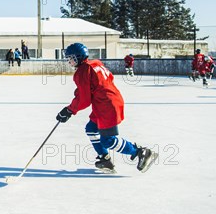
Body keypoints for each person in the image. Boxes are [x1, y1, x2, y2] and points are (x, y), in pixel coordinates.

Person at [56, 43, 157, 174]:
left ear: (78, 57)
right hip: (109, 101)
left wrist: (69, 110)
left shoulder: (82, 71)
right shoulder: (95, 63)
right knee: (91, 129)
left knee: (108, 140)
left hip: (107, 106)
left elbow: (84, 100)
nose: (69, 61)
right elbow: (102, 81)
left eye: (71, 58)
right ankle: (104, 159)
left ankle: (140, 152)